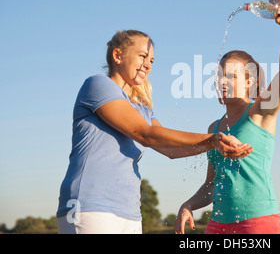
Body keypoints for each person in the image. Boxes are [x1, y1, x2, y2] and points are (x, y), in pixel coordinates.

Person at [56, 30, 253, 234]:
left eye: (151, 60)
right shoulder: (97, 85)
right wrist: (212, 140)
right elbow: (145, 135)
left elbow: (170, 149)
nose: (148, 64)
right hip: (88, 207)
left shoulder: (143, 110)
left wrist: (217, 145)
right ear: (117, 56)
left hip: (128, 212)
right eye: (142, 56)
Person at [175, 0, 280, 234]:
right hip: (217, 225)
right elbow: (211, 184)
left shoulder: (261, 112)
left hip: (258, 223)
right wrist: (188, 205)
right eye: (219, 75)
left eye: (230, 76)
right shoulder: (214, 128)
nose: (221, 81)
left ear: (248, 80)